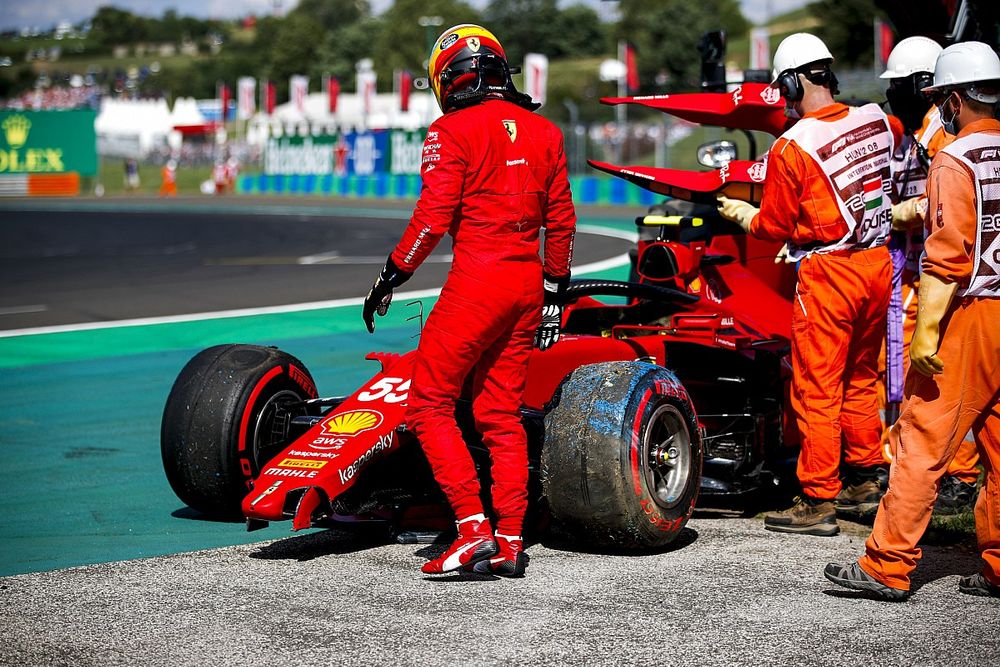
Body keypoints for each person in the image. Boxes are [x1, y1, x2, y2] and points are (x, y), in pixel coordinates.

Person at [361, 23, 576, 576]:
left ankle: (470, 529)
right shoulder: (546, 132)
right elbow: (562, 221)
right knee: (499, 415)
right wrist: (553, 290)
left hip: (478, 282)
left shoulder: (449, 130)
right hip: (528, 287)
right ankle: (509, 540)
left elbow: (432, 218)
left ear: (448, 78)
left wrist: (392, 275)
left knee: (428, 403)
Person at [825, 41, 1000, 601]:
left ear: (952, 100)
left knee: (920, 442)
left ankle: (886, 565)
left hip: (970, 314)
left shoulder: (955, 158)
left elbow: (947, 257)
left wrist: (927, 333)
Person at [717, 33, 898, 536]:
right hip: (878, 261)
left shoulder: (791, 147)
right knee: (863, 377)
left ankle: (818, 498)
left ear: (793, 81)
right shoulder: (877, 120)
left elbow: (774, 226)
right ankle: (866, 480)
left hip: (830, 272)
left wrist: (746, 215)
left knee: (817, 388)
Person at [882, 36, 980, 516]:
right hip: (956, 273)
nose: (891, 96)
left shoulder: (943, 137)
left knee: (936, 388)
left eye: (898, 86)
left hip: (947, 276)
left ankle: (956, 476)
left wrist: (914, 210)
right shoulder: (925, 131)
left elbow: (952, 206)